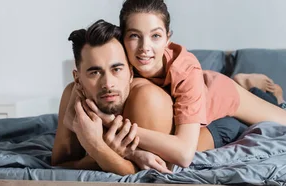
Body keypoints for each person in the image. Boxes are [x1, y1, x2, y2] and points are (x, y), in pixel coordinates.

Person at [80, 0, 286, 169]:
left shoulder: (185, 69)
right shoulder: (117, 60)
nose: (145, 48)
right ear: (123, 38)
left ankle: (257, 88)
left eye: (155, 36)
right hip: (189, 108)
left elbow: (184, 155)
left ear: (167, 39)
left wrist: (115, 126)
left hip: (219, 96)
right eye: (135, 36)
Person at [50, 19, 249, 176]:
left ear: (130, 71)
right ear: (78, 79)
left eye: (117, 69)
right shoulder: (73, 94)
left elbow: (143, 172)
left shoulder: (145, 98)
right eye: (94, 72)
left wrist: (96, 146)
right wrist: (113, 151)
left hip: (219, 122)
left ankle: (246, 82)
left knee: (264, 100)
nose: (108, 84)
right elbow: (59, 164)